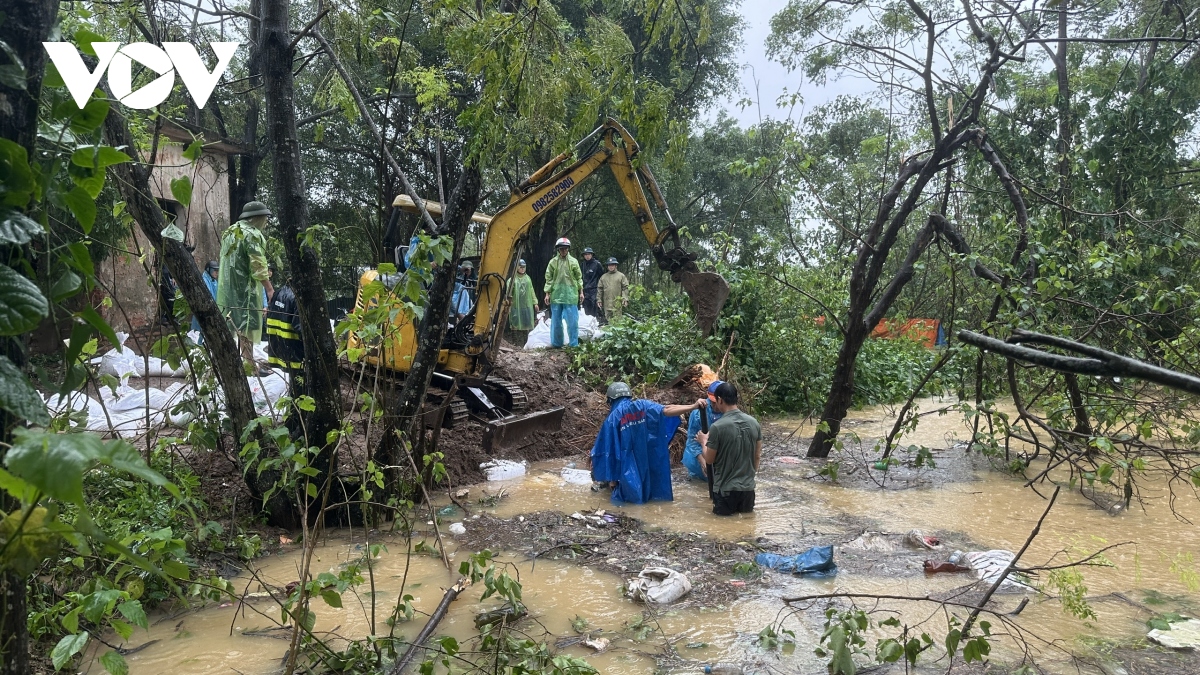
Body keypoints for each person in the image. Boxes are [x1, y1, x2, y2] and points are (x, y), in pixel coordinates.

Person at [590, 381, 707, 505]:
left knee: (630, 502)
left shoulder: (611, 420)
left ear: (611, 400)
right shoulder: (642, 405)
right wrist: (693, 406)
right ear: (629, 396)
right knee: (654, 495)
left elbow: (606, 453)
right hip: (647, 460)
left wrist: (612, 481)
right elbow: (666, 410)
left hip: (627, 468)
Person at [217, 200, 275, 375]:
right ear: (256, 218)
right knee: (246, 328)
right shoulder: (252, 234)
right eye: (265, 218)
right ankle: (249, 367)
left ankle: (239, 364)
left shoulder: (230, 232)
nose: (266, 221)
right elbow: (257, 264)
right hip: (246, 291)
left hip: (228, 289)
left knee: (234, 326)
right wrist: (269, 289)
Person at [695, 382, 761, 516]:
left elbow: (709, 459)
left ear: (720, 400)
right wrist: (748, 478)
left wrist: (703, 442)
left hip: (725, 491)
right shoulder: (754, 423)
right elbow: (757, 456)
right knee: (746, 530)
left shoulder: (718, 427)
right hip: (748, 490)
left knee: (721, 531)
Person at [543, 237, 583, 347]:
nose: (563, 251)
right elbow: (549, 278)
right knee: (556, 322)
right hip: (556, 296)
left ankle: (573, 344)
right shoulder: (553, 262)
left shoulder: (574, 262)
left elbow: (579, 278)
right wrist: (547, 293)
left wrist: (581, 292)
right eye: (561, 249)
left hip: (570, 296)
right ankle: (556, 344)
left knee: (572, 322)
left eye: (565, 249)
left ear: (568, 249)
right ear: (558, 249)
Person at [683, 380, 725, 481]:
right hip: (698, 457)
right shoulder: (698, 413)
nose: (715, 406)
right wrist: (703, 462)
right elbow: (692, 440)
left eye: (717, 402)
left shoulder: (729, 413)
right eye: (713, 402)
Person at [266, 280, 304, 380]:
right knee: (300, 383)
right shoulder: (298, 296)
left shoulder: (278, 292)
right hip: (296, 350)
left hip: (279, 347)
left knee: (294, 381)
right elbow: (300, 327)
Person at [507, 259, 539, 346]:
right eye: (520, 267)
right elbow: (508, 294)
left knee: (526, 325)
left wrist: (535, 302)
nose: (522, 269)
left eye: (524, 267)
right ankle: (516, 345)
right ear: (516, 267)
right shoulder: (511, 280)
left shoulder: (528, 279)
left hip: (526, 306)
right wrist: (508, 304)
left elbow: (531, 291)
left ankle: (526, 344)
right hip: (515, 307)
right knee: (515, 325)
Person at [190, 260, 219, 338]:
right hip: (204, 313)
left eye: (217, 270)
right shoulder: (204, 281)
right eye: (214, 270)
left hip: (212, 312)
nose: (216, 272)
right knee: (200, 335)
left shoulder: (214, 281)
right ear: (208, 270)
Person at [596, 257, 629, 323]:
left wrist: (625, 298)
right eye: (609, 265)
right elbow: (600, 289)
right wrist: (599, 299)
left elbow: (625, 287)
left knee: (618, 321)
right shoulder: (603, 277)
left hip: (617, 303)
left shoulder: (621, 276)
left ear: (615, 266)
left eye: (612, 265)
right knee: (608, 321)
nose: (611, 267)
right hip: (607, 303)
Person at [580, 247, 604, 318]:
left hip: (594, 290)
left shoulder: (597, 264)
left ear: (592, 255)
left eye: (589, 254)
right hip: (585, 290)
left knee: (594, 309)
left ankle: (595, 323)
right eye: (585, 254)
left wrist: (600, 289)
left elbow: (601, 277)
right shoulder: (582, 265)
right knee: (585, 309)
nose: (587, 256)